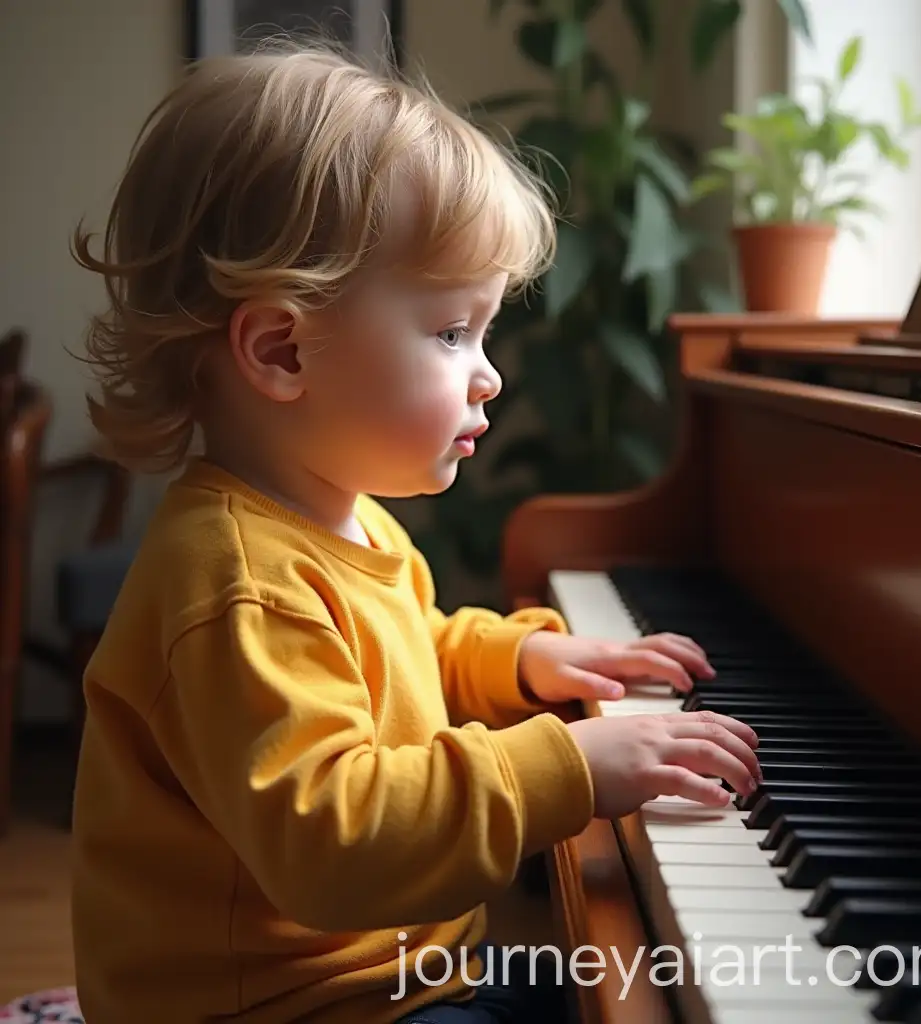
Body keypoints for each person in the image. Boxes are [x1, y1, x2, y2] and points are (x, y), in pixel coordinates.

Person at [68, 40, 762, 1024]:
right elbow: (337, 843)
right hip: (293, 1007)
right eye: (450, 332)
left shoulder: (344, 521)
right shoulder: (234, 584)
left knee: (641, 991)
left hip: (400, 975)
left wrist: (520, 661)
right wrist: (572, 769)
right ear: (281, 350)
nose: (487, 374)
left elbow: (409, 650)